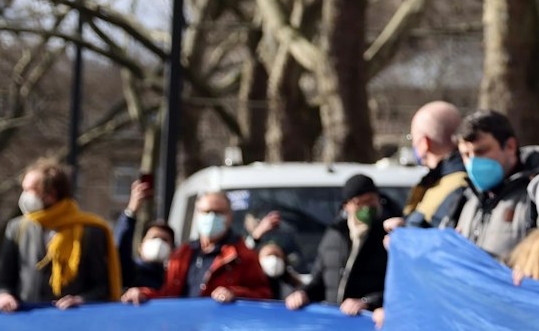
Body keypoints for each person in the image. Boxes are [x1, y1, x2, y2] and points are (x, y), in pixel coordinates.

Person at [0, 158, 119, 312]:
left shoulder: (90, 231)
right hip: (26, 318)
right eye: (23, 189)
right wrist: (3, 296)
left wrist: (80, 300)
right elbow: (3, 282)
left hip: (71, 320)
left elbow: (101, 288)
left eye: (31, 190)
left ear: (51, 194)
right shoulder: (17, 228)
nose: (24, 196)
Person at [120, 192, 272, 305]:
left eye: (218, 212)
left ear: (230, 216)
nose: (211, 217)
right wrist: (144, 294)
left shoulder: (243, 255)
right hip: (184, 330)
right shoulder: (182, 253)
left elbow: (264, 295)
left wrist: (235, 293)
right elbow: (168, 296)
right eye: (206, 212)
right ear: (197, 215)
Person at [447, 109, 539, 262]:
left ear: (510, 146)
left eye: (481, 151)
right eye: (466, 155)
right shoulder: (465, 199)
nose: (472, 162)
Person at [286, 174, 387, 316]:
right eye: (360, 203)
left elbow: (399, 288)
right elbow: (319, 281)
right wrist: (302, 293)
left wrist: (367, 302)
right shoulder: (334, 235)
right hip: (335, 322)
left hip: (368, 322)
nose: (367, 208)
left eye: (371, 200)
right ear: (347, 206)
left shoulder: (388, 236)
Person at [404, 101, 466, 224]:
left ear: (424, 143)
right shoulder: (438, 179)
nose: (413, 145)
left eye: (412, 138)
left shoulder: (454, 184)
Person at [127, 219, 176, 292]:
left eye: (165, 240)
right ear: (141, 246)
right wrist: (130, 217)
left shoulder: (173, 279)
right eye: (154, 237)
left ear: (172, 249)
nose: (159, 243)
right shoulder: (130, 270)